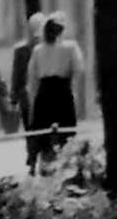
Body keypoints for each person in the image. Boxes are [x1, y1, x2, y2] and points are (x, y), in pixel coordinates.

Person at [26, 12, 87, 171]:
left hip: (44, 91)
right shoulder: (70, 47)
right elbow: (79, 68)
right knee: (67, 129)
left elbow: (32, 75)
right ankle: (67, 162)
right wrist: (74, 88)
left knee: (42, 130)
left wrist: (33, 97)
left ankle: (41, 161)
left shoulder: (38, 50)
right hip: (62, 90)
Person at [10, 11, 47, 173]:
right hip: (31, 98)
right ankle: (33, 160)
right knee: (33, 131)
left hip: (42, 97)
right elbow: (17, 75)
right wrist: (14, 96)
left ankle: (38, 161)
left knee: (39, 131)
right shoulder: (22, 50)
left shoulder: (46, 49)